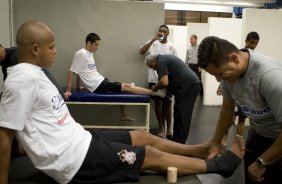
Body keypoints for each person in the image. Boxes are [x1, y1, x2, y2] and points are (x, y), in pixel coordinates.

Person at [0, 21, 246, 184]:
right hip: (74, 161)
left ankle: (199, 149)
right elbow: (5, 136)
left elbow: (32, 128)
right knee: (148, 154)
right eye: (51, 47)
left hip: (80, 139)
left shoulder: (35, 73)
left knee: (142, 136)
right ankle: (216, 165)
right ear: (34, 49)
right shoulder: (20, 80)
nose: (55, 51)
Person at [198, 36, 282, 184]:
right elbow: (227, 110)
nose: (219, 80)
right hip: (258, 134)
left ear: (235, 58)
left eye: (219, 74)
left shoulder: (271, 78)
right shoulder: (228, 76)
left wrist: (262, 162)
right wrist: (216, 143)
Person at [64, 33, 153, 121]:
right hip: (97, 85)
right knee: (127, 87)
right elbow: (72, 71)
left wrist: (78, 86)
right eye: (96, 44)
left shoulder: (89, 53)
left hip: (101, 81)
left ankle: (124, 115)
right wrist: (68, 90)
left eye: (98, 45)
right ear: (88, 43)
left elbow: (81, 70)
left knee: (125, 87)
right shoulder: (81, 54)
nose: (97, 47)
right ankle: (154, 92)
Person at [217, 31, 260, 146]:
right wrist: (221, 85)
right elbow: (226, 71)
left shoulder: (254, 59)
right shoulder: (237, 55)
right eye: (251, 42)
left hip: (246, 95)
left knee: (242, 120)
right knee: (230, 119)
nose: (253, 46)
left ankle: (239, 144)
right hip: (234, 92)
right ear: (246, 41)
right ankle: (223, 141)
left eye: (256, 44)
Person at [145, 54, 200, 144]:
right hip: (186, 87)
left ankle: (179, 142)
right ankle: (177, 139)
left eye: (151, 67)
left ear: (153, 61)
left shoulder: (160, 61)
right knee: (178, 112)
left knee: (182, 115)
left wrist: (155, 86)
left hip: (188, 86)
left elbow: (164, 82)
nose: (153, 69)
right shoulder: (163, 59)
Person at [139, 25, 177, 139]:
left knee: (168, 104)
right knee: (157, 104)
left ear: (168, 33)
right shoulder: (153, 43)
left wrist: (171, 78)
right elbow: (141, 52)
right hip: (153, 79)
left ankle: (169, 128)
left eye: (164, 31)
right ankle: (161, 128)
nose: (162, 32)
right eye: (160, 31)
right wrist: (153, 40)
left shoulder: (172, 47)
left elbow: (174, 64)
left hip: (167, 79)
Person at [185, 34, 204, 100]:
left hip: (197, 66)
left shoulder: (200, 47)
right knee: (190, 80)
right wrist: (185, 66)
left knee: (198, 80)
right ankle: (191, 93)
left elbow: (202, 58)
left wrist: (201, 67)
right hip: (190, 65)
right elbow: (186, 58)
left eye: (191, 38)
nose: (190, 40)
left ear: (195, 39)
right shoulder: (188, 48)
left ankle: (201, 94)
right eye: (190, 39)